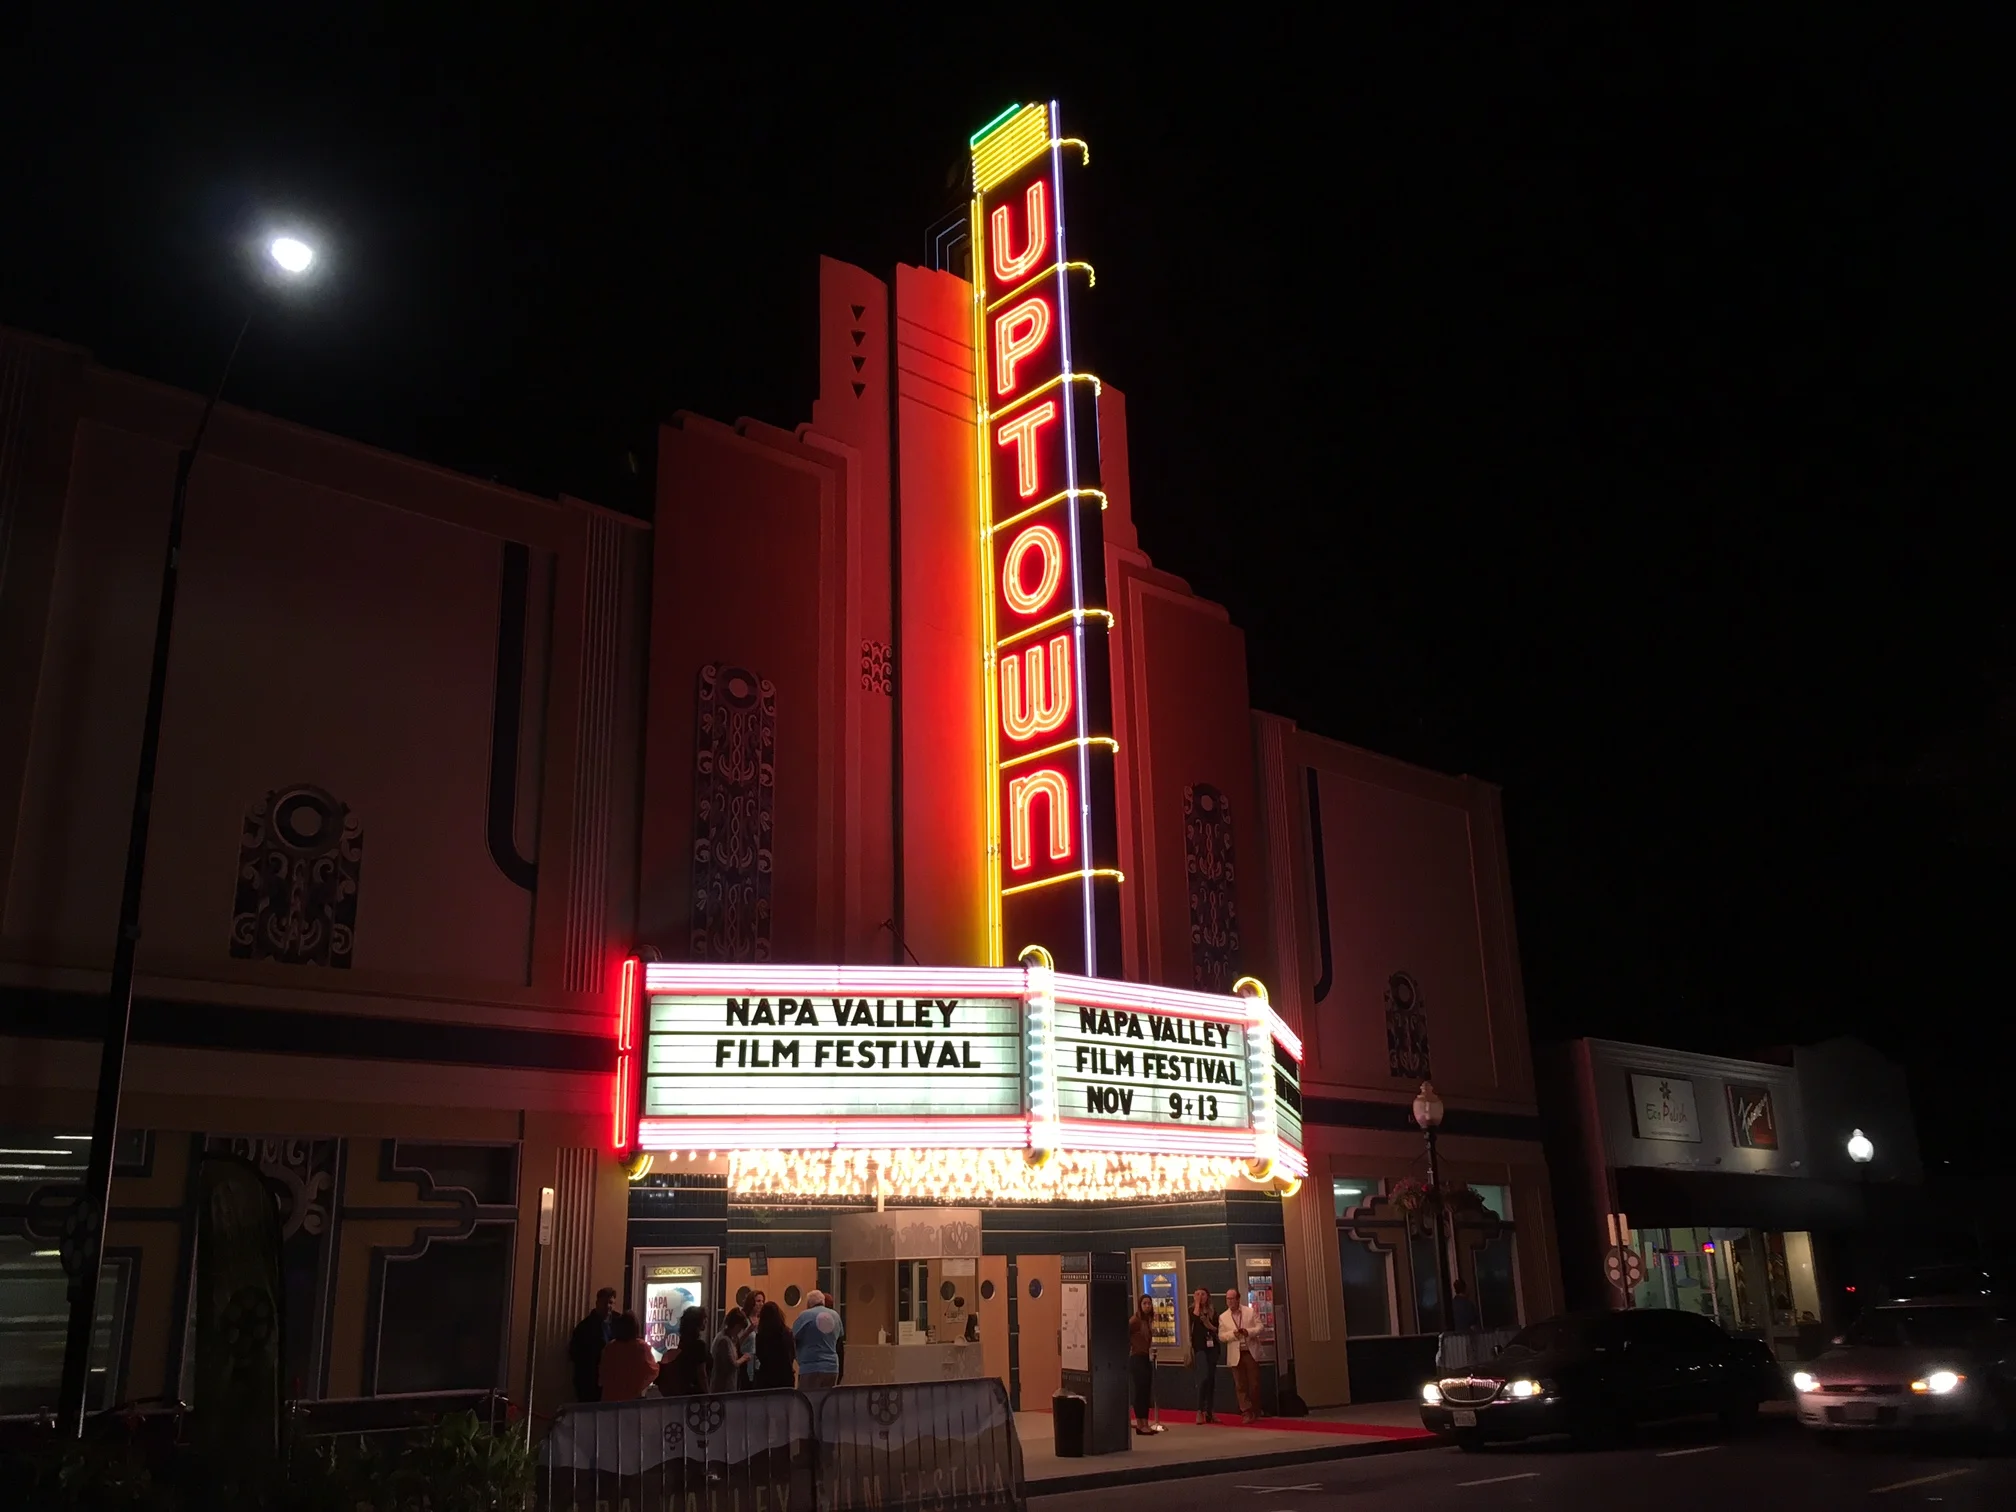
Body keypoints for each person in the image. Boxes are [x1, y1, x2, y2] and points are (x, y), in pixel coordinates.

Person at [1219, 1287, 1263, 1423]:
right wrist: (1233, 1334)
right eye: (1227, 1299)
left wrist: (1248, 1332)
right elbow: (1221, 1336)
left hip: (1249, 1352)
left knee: (1254, 1384)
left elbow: (1260, 1327)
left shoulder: (1249, 1312)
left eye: (1232, 1299)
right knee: (1240, 1384)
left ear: (1238, 1299)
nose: (1229, 1301)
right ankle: (1246, 1411)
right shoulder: (1223, 1317)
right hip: (1235, 1354)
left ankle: (1255, 1409)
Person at [567, 1286, 618, 1402]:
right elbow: (575, 1354)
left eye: (611, 1303)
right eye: (605, 1302)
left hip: (613, 1382)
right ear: (597, 1303)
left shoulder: (619, 1323)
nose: (608, 1306)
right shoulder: (584, 1328)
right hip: (590, 1383)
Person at [599, 1311, 659, 1401]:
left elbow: (602, 1374)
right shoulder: (641, 1348)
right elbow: (652, 1371)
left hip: (609, 1399)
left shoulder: (610, 1347)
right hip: (631, 1400)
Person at [792, 1290, 845, 1389]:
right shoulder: (836, 1316)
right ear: (823, 1301)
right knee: (826, 1397)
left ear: (809, 1303)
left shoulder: (804, 1316)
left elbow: (793, 1338)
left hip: (810, 1367)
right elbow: (839, 1342)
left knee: (807, 1397)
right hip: (832, 1367)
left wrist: (797, 1356)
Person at [1128, 1293, 1163, 1434]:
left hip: (1145, 1357)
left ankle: (1145, 1422)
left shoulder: (1148, 1321)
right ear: (1140, 1305)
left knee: (1146, 1390)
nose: (1147, 1306)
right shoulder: (1135, 1320)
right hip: (1137, 1357)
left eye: (1149, 1303)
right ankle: (1140, 1423)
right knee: (1140, 1391)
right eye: (1144, 1304)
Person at [659, 1307, 711, 1396]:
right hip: (696, 1394)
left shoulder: (683, 1343)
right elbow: (702, 1374)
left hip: (683, 1393)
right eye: (704, 1319)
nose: (706, 1321)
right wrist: (708, 1394)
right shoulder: (699, 1345)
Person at [1189, 1288, 1219, 1424]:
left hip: (1212, 1348)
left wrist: (1208, 1324)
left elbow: (1217, 1329)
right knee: (1204, 1377)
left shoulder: (1213, 1311)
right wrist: (1197, 1304)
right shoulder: (1192, 1310)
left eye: (1203, 1294)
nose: (1200, 1296)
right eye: (1197, 1294)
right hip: (1199, 1348)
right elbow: (1194, 1318)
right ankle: (1199, 1410)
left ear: (1208, 1296)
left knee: (1211, 1379)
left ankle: (1210, 1411)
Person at [753, 1300, 795, 1389]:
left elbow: (760, 1355)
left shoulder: (761, 1336)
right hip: (785, 1377)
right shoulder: (787, 1333)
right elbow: (792, 1353)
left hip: (767, 1377)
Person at [711, 1307, 752, 1393]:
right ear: (736, 1326)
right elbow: (731, 1364)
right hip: (723, 1387)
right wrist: (743, 1358)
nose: (740, 1331)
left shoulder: (725, 1338)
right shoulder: (724, 1341)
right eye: (740, 1328)